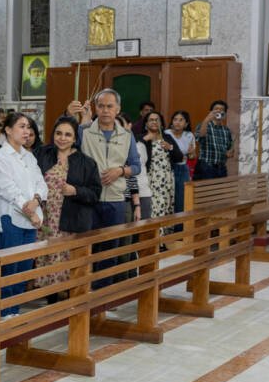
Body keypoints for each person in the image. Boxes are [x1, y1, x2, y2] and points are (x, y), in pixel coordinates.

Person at [67, 91, 142, 287]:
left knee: (110, 250)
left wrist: (120, 171)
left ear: (118, 109)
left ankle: (103, 294)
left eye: (110, 106)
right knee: (86, 248)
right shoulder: (83, 131)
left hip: (115, 201)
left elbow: (136, 166)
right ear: (95, 108)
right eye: (101, 106)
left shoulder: (127, 136)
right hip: (88, 200)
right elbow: (63, 145)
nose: (105, 110)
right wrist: (69, 116)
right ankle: (83, 290)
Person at [33, 117, 101, 294]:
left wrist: (76, 190)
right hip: (46, 220)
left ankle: (67, 297)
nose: (62, 138)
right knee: (46, 259)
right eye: (59, 133)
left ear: (75, 138)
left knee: (67, 263)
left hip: (70, 221)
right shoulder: (42, 154)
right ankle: (49, 298)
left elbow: (95, 194)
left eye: (68, 135)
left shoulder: (86, 163)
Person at [0, 112, 48, 308]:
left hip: (30, 220)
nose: (27, 131)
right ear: (8, 130)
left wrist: (37, 200)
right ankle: (5, 314)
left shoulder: (29, 156)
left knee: (23, 270)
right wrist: (30, 210)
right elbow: (8, 189)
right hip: (10, 219)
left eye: (29, 127)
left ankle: (15, 312)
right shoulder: (1, 157)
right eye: (22, 126)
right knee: (9, 270)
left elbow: (41, 183)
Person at [140, 111, 183, 221]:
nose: (154, 122)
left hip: (165, 179)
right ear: (146, 124)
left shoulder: (167, 137)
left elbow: (179, 157)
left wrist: (170, 148)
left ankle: (164, 231)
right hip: (149, 178)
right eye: (151, 120)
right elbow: (135, 153)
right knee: (152, 207)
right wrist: (145, 139)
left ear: (161, 123)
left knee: (164, 206)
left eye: (157, 120)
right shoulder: (141, 137)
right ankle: (153, 230)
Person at [194, 100, 233, 180]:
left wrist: (230, 152)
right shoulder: (203, 125)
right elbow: (200, 137)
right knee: (206, 188)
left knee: (220, 188)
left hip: (221, 168)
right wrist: (207, 120)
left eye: (221, 109)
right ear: (210, 112)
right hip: (206, 167)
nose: (219, 111)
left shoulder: (226, 130)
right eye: (216, 109)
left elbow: (230, 148)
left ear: (225, 114)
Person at [167, 110, 196, 216]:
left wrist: (191, 153)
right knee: (169, 198)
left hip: (183, 168)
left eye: (181, 120)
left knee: (181, 199)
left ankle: (179, 224)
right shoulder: (166, 134)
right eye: (175, 119)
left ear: (186, 124)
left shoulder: (189, 135)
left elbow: (192, 156)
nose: (177, 122)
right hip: (169, 168)